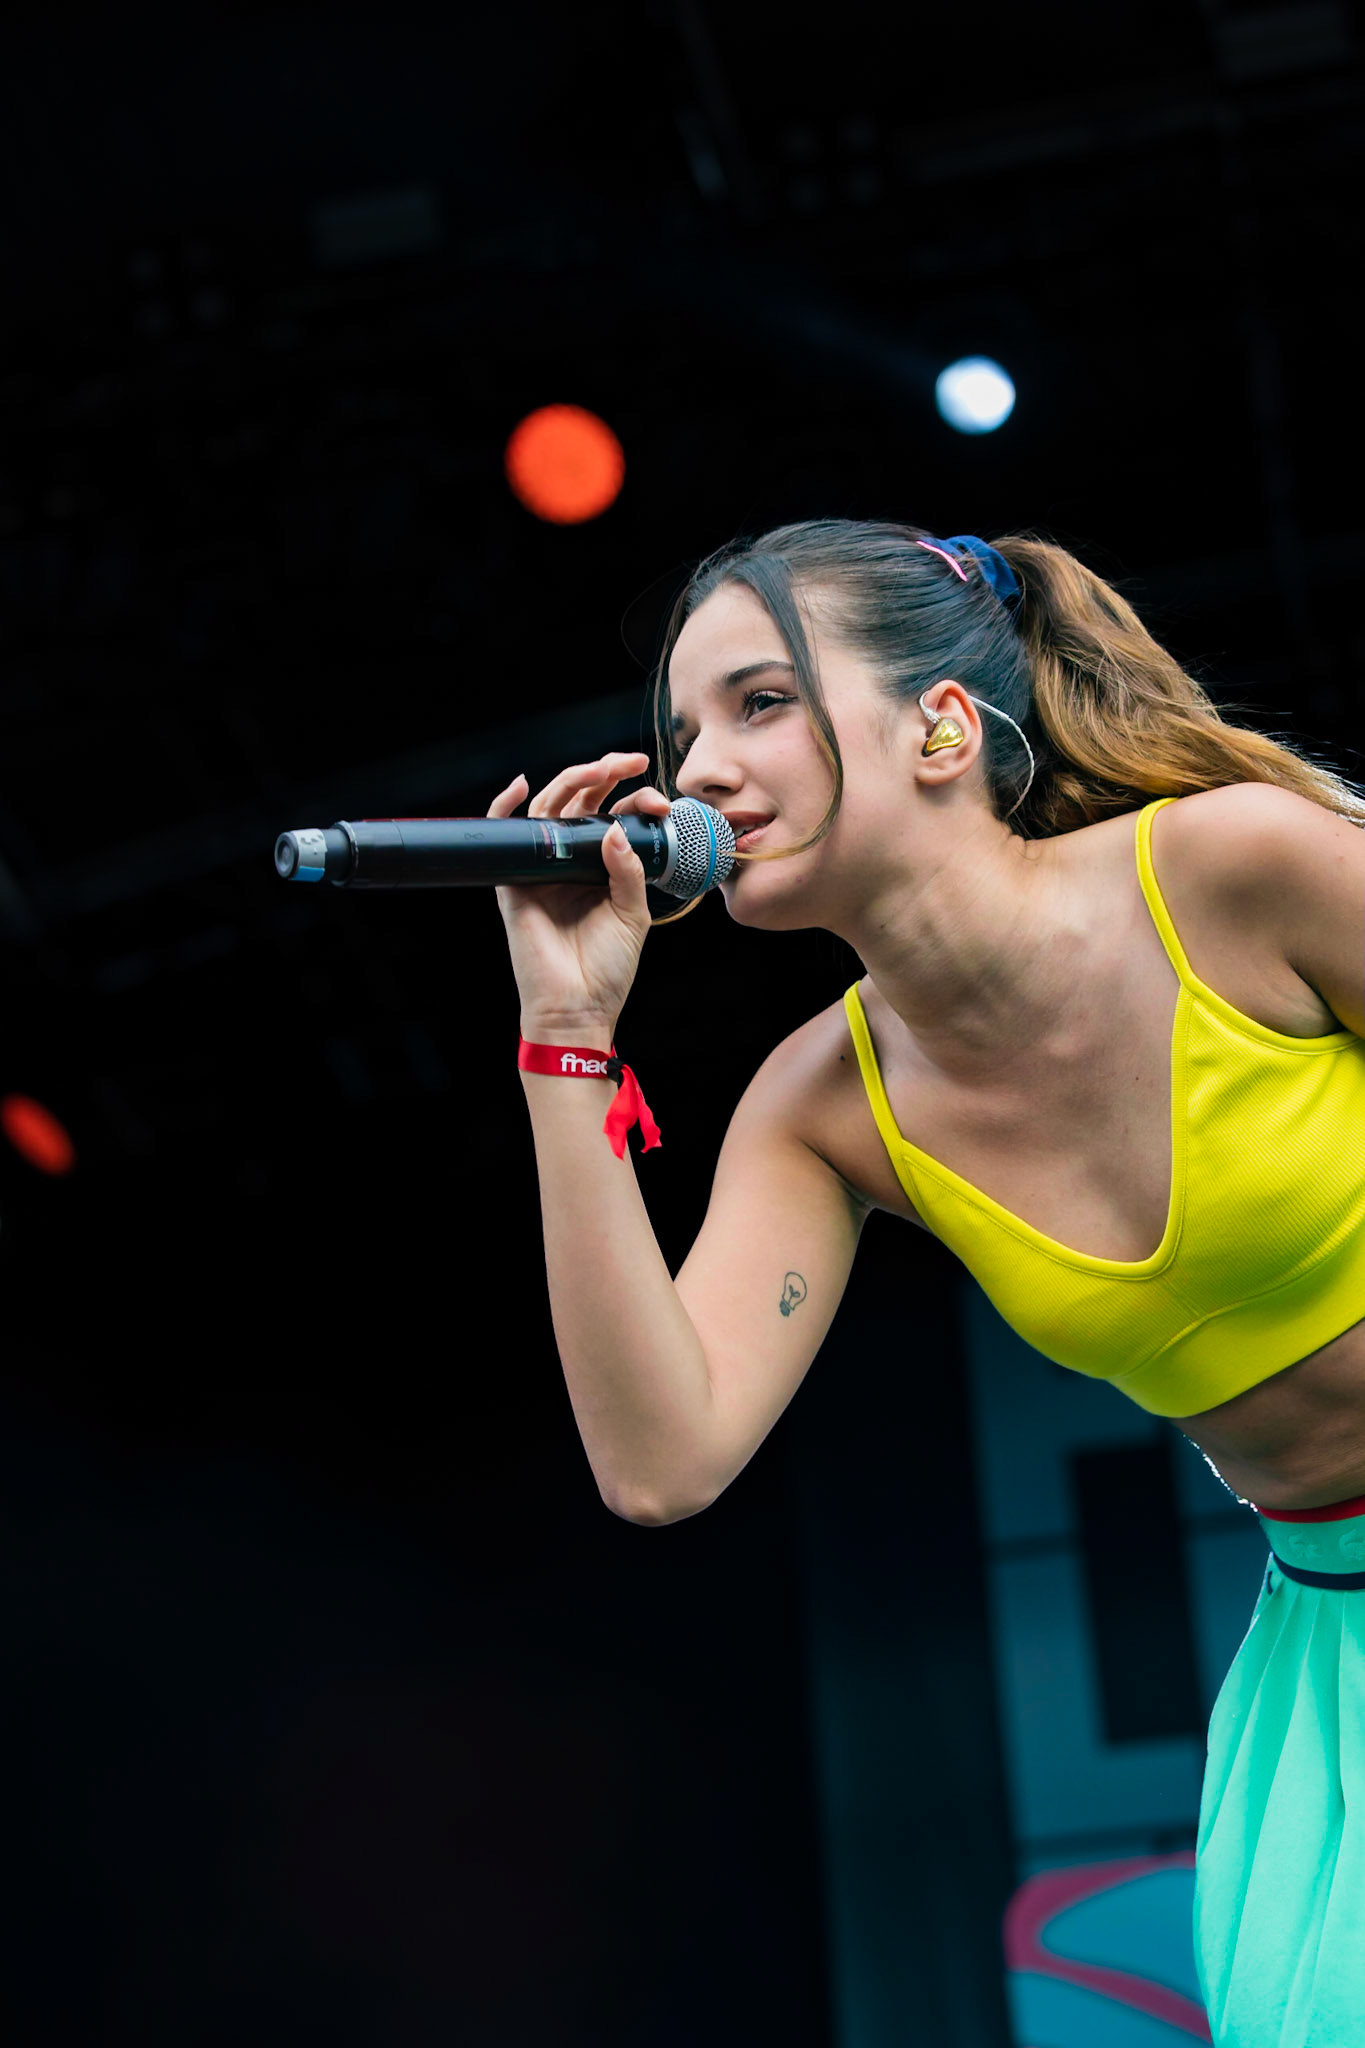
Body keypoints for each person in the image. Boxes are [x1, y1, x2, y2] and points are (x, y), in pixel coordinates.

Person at [486, 518, 1365, 2048]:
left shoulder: (1234, 867)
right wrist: (563, 1040)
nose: (697, 774)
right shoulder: (819, 1104)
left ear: (941, 728)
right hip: (1329, 1634)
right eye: (683, 736)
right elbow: (659, 1462)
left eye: (761, 704)